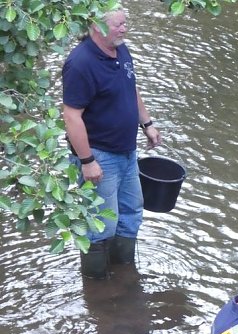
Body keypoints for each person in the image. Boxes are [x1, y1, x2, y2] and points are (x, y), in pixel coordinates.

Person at [62, 7, 162, 280]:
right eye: (118, 24)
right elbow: (71, 116)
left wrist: (148, 123)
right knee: (101, 223)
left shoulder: (121, 49)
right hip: (100, 156)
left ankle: (124, 274)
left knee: (131, 213)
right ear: (97, 26)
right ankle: (97, 286)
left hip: (127, 152)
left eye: (125, 23)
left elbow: (131, 88)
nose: (124, 29)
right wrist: (87, 161)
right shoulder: (81, 63)